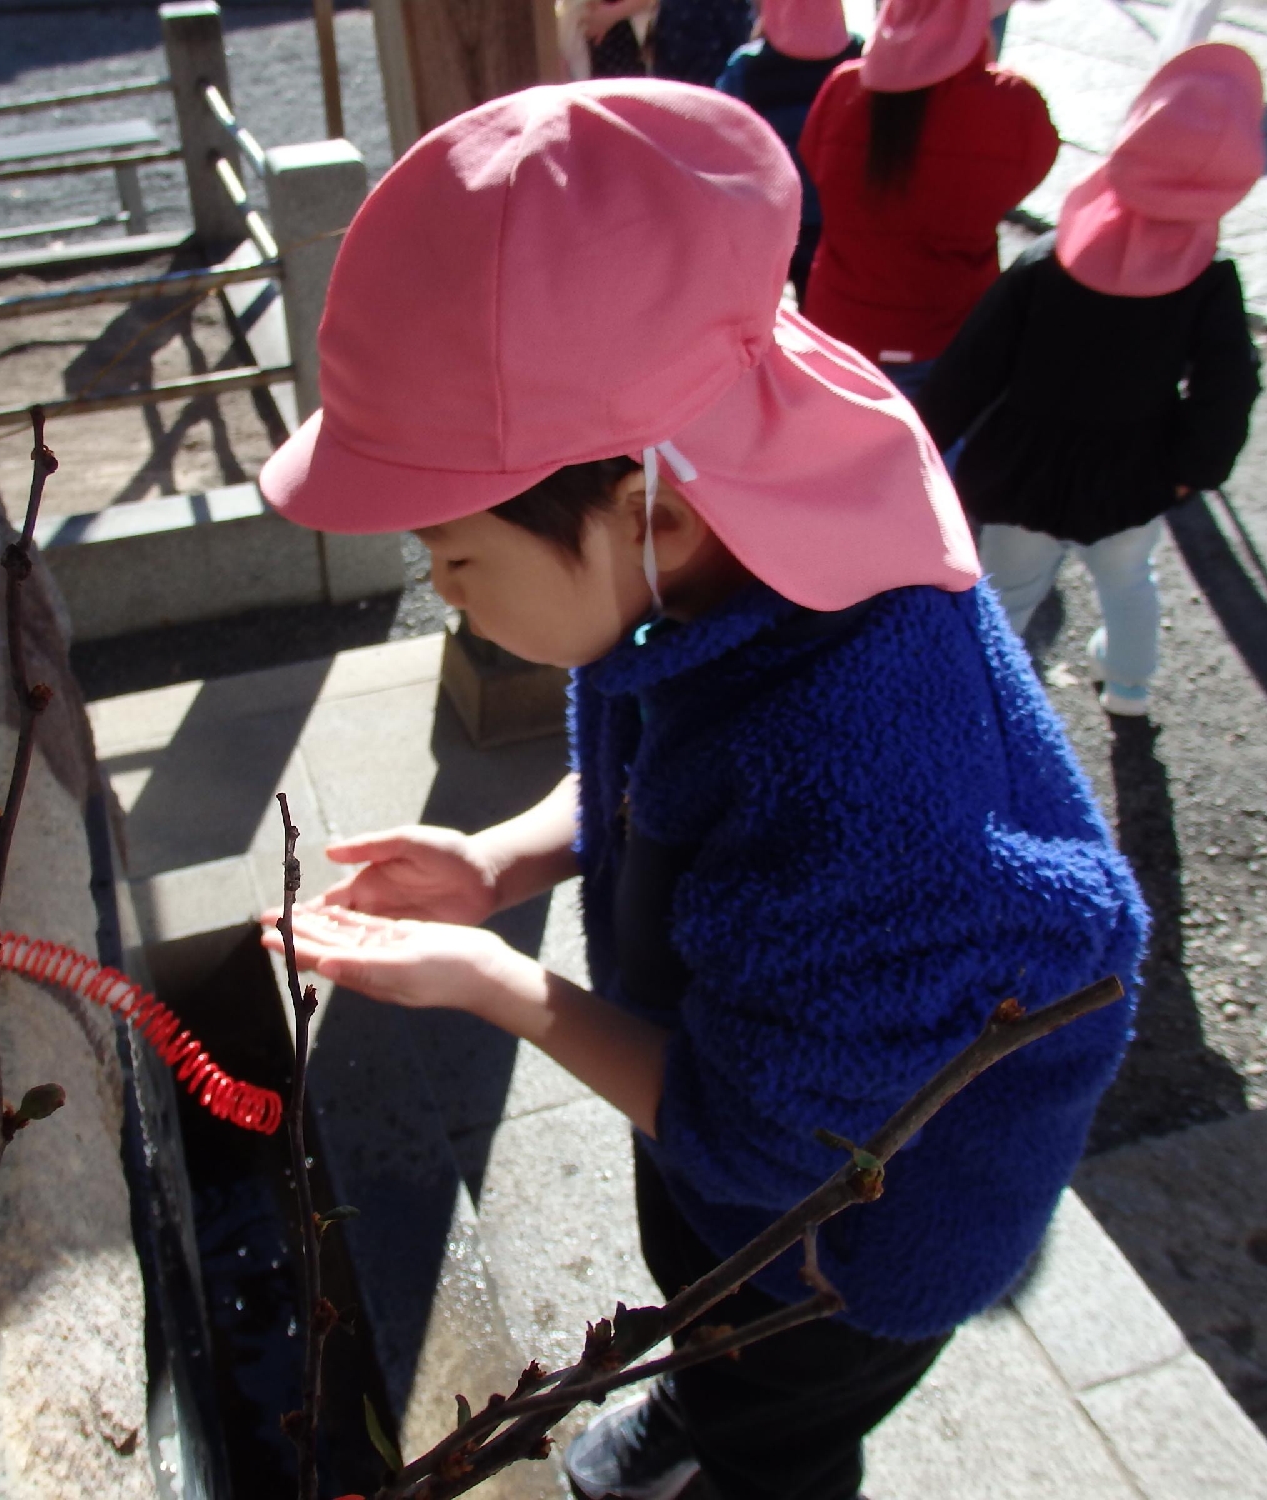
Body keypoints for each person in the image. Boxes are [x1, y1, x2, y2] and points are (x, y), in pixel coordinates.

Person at [254, 79, 1146, 1500]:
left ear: (643, 508)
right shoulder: (738, 541)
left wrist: (497, 984)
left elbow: (754, 1128)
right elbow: (664, 787)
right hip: (765, 1081)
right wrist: (502, 864)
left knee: (776, 1417)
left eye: (461, 561)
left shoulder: (867, 790)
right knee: (703, 1325)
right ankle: (694, 1407)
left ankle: (736, 1450)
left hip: (850, 1233)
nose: (448, 601)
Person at [916, 42, 1264, 718]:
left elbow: (972, 364)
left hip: (1023, 464)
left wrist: (927, 440)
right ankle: (1129, 686)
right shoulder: (1210, 280)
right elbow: (1229, 384)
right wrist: (1197, 467)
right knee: (1130, 581)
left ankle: (989, 698)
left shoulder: (1048, 261)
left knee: (1008, 592)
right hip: (1137, 466)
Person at [798, 0, 1058, 395]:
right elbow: (1031, 170)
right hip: (945, 325)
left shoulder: (842, 88)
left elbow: (812, 159)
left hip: (839, 320)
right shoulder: (1015, 103)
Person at [715, 0, 863, 298]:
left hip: (772, 221)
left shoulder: (747, 68)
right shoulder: (858, 58)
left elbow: (721, 143)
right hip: (840, 220)